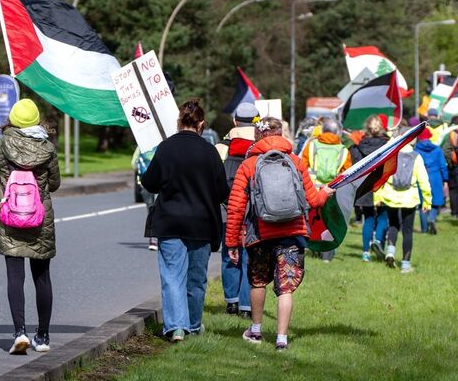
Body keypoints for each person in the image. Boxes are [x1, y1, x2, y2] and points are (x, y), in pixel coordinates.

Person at [225, 116, 334, 350]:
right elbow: (313, 200)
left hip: (260, 233)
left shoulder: (249, 165)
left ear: (258, 136)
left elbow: (235, 208)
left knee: (257, 282)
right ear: (281, 134)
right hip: (292, 232)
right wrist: (324, 193)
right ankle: (282, 339)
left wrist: (232, 242)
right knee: (286, 287)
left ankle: (255, 331)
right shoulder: (295, 161)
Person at [140, 99, 229, 341]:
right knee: (196, 279)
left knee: (172, 276)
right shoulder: (210, 152)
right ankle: (193, 323)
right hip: (201, 223)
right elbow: (223, 192)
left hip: (170, 222)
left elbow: (149, 183)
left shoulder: (166, 148)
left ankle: (176, 327)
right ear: (201, 123)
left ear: (179, 122)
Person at [0, 98, 60, 355]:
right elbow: (54, 184)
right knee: (42, 277)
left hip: (11, 215)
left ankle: (19, 332)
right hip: (39, 218)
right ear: (35, 120)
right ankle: (42, 336)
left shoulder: (2, 144)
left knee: (14, 277)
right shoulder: (48, 148)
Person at [217, 101, 259, 316]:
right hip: (255, 211)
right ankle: (245, 306)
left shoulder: (221, 147)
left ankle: (231, 302)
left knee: (229, 253)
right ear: (257, 121)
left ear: (234, 121)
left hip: (228, 209)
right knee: (249, 256)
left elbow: (214, 181)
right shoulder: (262, 146)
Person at [375, 130, 431, 273]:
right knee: (408, 231)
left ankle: (390, 252)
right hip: (409, 198)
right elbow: (424, 181)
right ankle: (405, 265)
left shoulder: (391, 155)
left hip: (390, 196)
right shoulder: (416, 157)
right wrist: (427, 202)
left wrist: (378, 197)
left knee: (393, 225)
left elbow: (382, 177)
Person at [300, 115, 352, 262]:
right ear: (338, 132)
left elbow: (302, 167)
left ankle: (312, 246)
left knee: (312, 220)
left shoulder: (311, 146)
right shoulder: (344, 151)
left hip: (312, 189)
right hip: (333, 191)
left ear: (322, 130)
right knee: (330, 221)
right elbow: (347, 173)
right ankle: (327, 255)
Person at [349, 115, 389, 261]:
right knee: (383, 216)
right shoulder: (388, 145)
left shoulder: (357, 146)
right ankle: (378, 241)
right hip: (382, 185)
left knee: (368, 218)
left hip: (364, 186)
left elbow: (353, 166)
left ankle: (366, 252)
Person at [412, 120, 448, 235]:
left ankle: (424, 230)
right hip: (436, 177)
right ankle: (432, 218)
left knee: (424, 203)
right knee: (436, 202)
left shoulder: (416, 150)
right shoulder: (437, 149)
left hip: (421, 178)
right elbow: (443, 165)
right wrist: (445, 179)